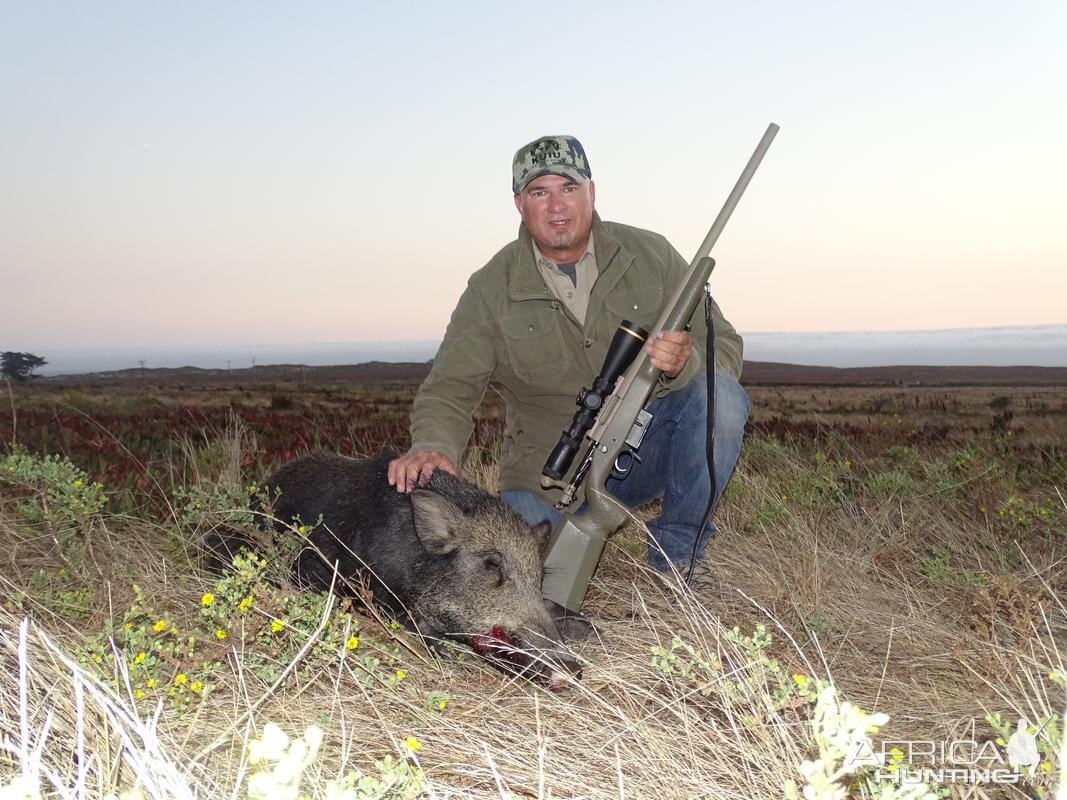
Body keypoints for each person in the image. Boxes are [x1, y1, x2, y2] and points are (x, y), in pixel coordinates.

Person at [388, 135, 749, 624]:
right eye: (539, 192)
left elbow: (725, 348)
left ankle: (678, 560)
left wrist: (685, 361)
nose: (557, 206)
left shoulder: (653, 255)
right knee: (523, 585)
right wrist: (433, 445)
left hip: (639, 450)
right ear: (519, 204)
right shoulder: (490, 287)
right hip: (545, 476)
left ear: (592, 192)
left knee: (721, 398)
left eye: (568, 187)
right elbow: (450, 385)